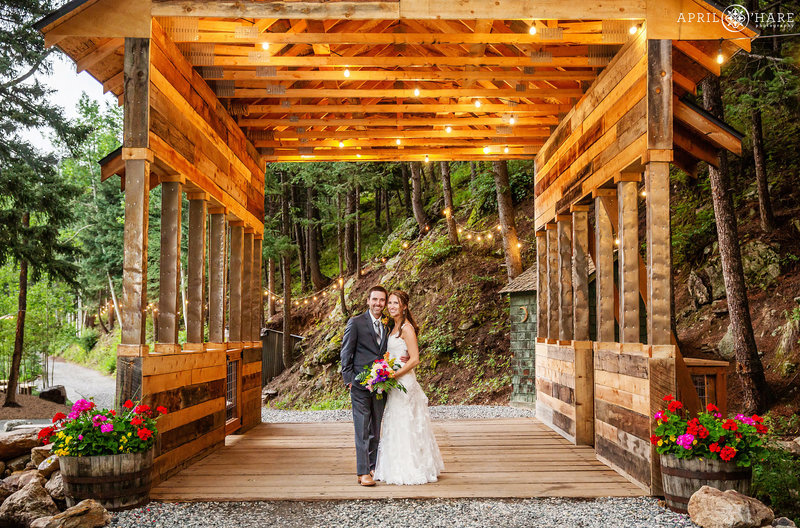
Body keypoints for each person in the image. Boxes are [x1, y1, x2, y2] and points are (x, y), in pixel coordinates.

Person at [374, 290, 444, 485]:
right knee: (394, 421)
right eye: (390, 303)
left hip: (403, 381)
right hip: (393, 381)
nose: (391, 306)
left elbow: (414, 359)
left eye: (396, 303)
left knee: (407, 422)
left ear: (404, 306)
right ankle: (394, 465)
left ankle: (412, 466)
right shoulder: (391, 326)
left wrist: (393, 375)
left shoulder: (407, 328)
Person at [340, 286, 407, 487]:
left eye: (382, 300)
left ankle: (373, 466)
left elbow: (393, 349)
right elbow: (346, 353)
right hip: (360, 385)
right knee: (362, 428)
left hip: (381, 385)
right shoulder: (356, 322)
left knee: (376, 428)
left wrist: (407, 357)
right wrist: (349, 380)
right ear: (368, 301)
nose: (378, 304)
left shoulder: (387, 326)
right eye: (375, 300)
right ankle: (362, 473)